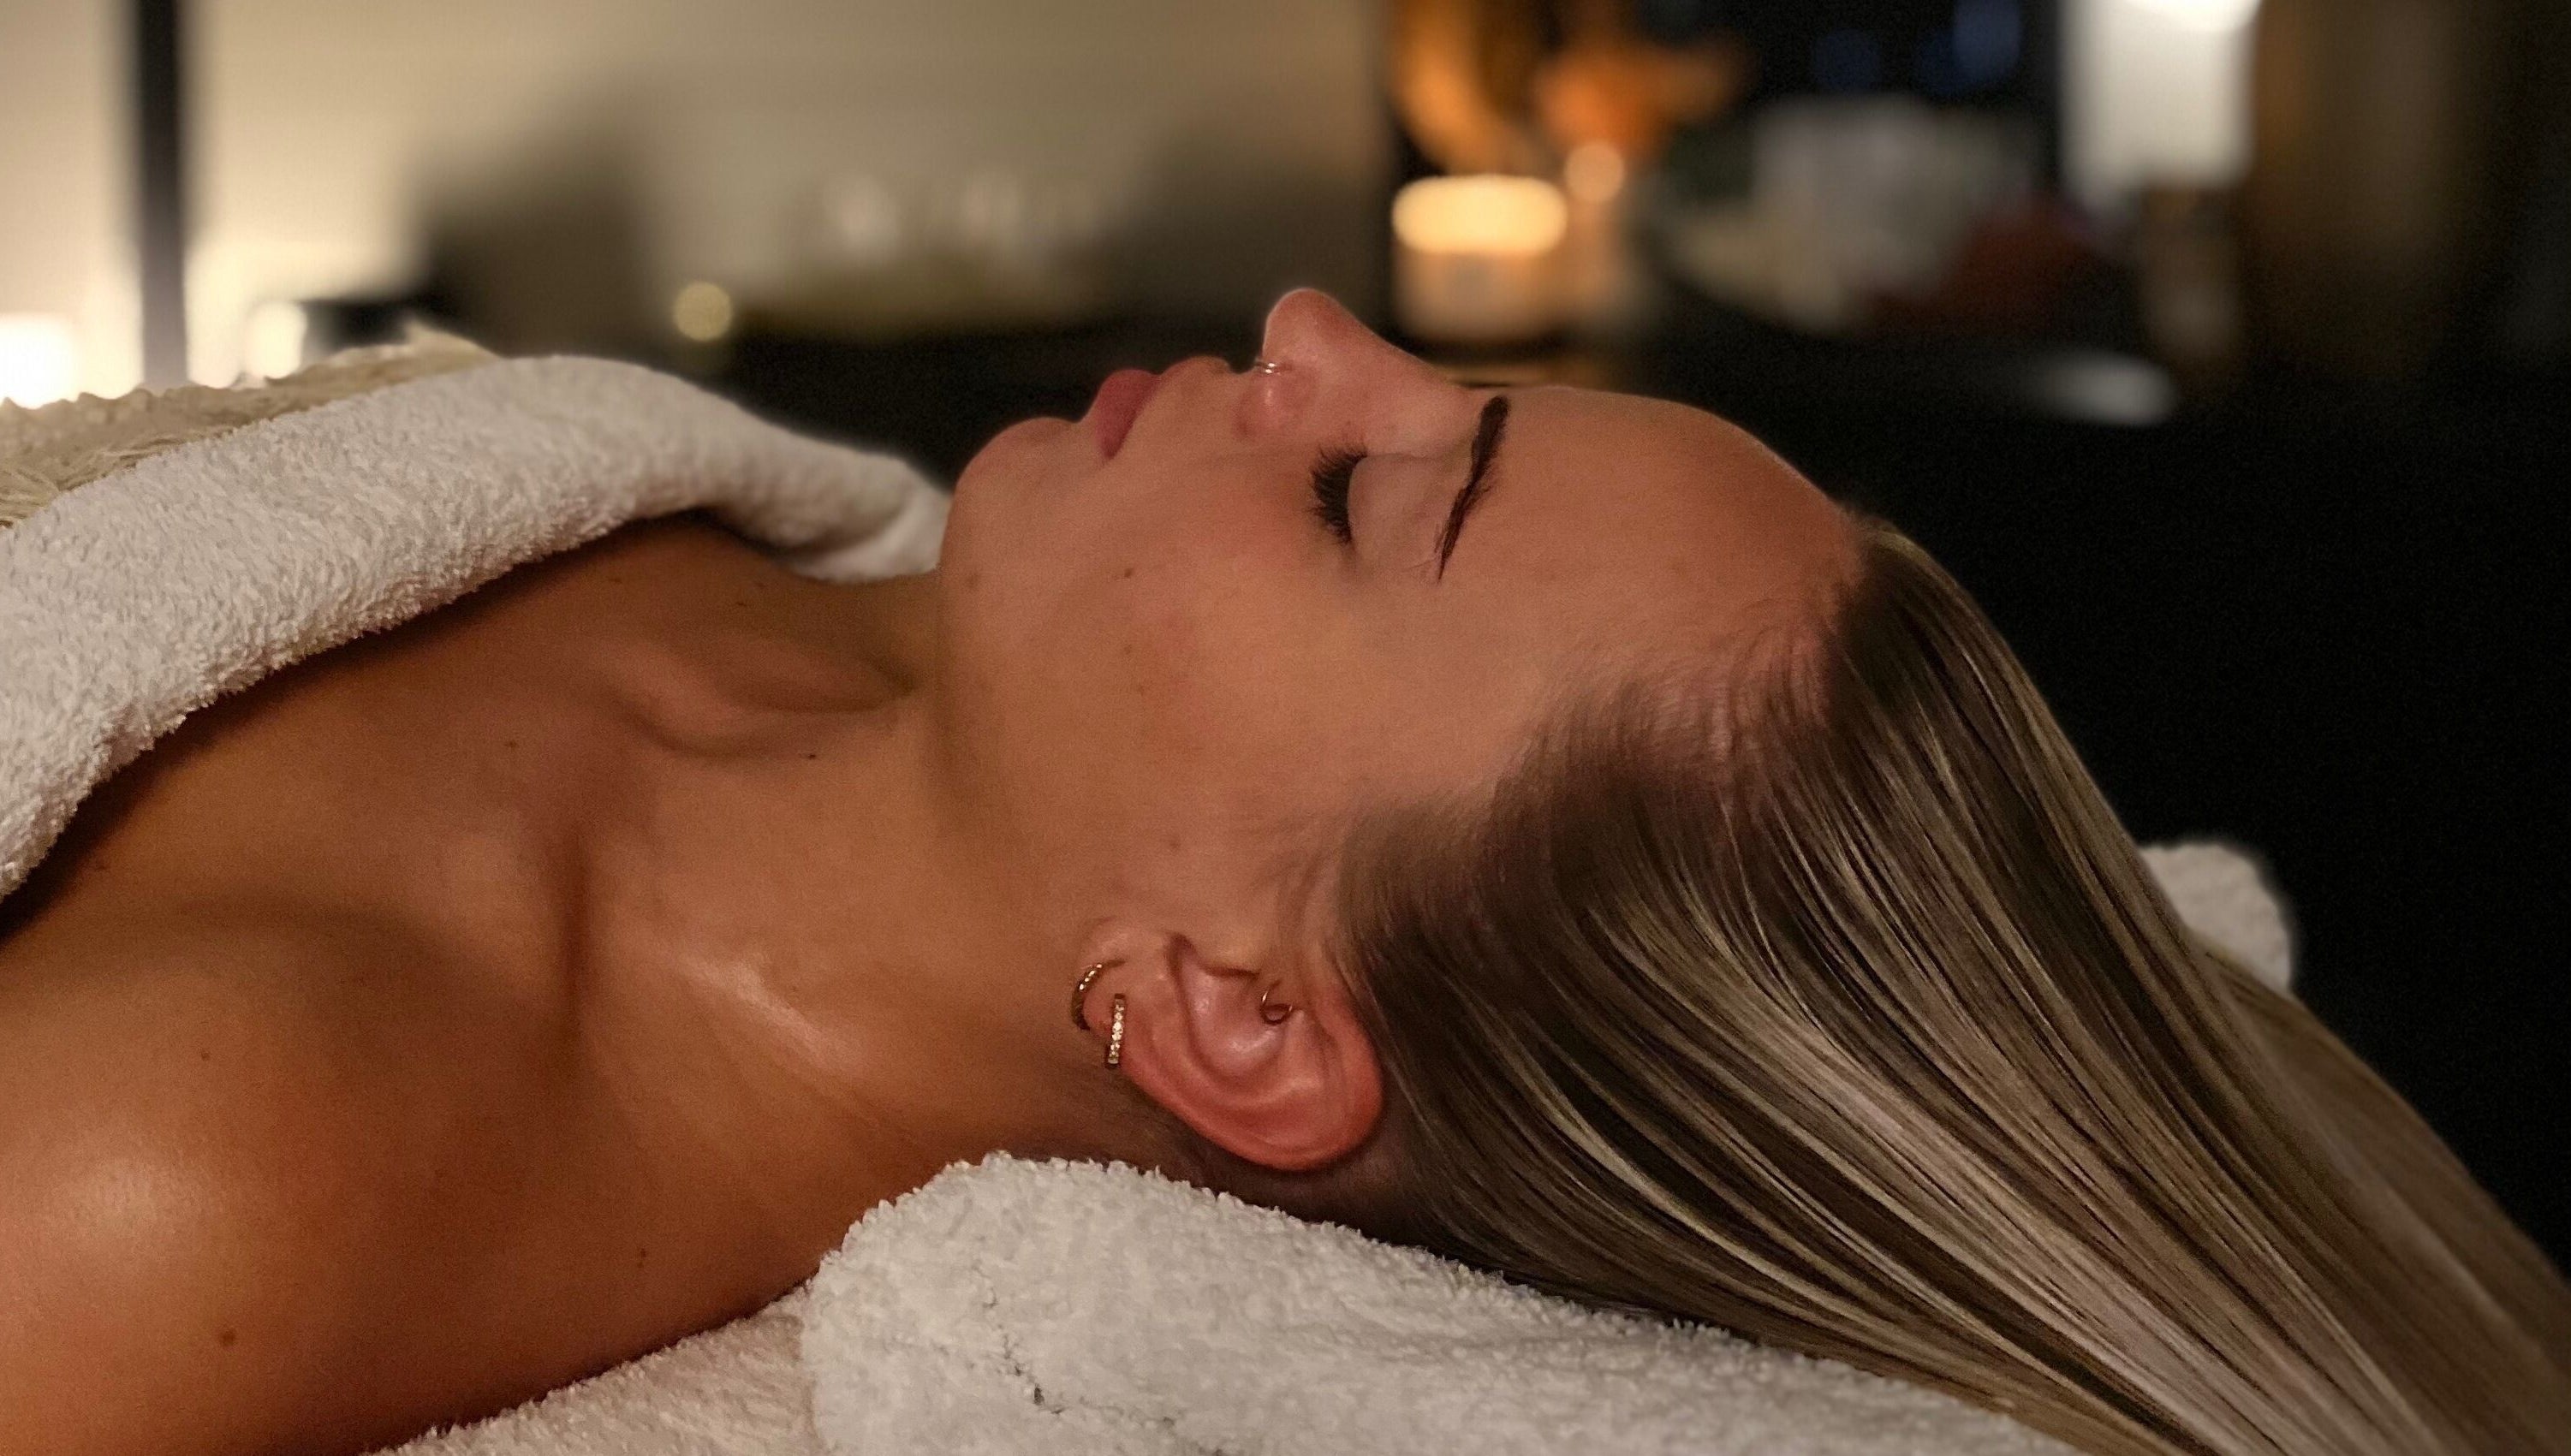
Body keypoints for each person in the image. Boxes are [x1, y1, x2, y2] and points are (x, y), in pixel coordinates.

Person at [1, 288, 2562, 1456]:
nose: (1313, 330)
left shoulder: (212, 1181)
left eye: (1363, 494)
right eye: (1458, 391)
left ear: (1241, 1020)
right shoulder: (896, 624)